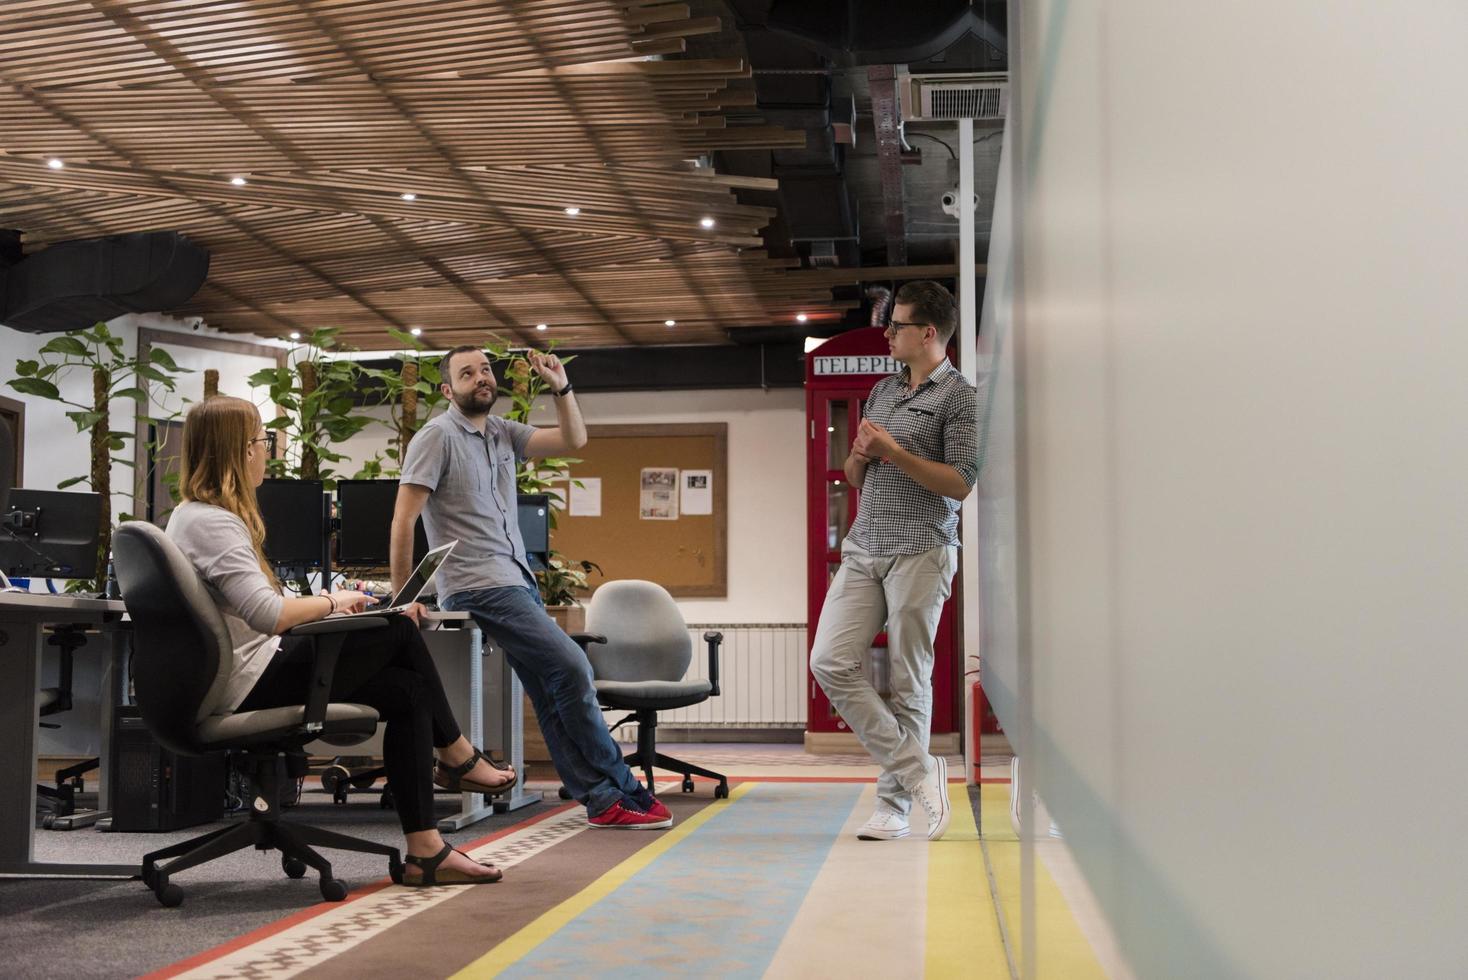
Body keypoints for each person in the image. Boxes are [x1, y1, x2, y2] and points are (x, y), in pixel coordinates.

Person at [166, 395, 512, 885]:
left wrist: (336, 598)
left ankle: (426, 851)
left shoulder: (197, 516)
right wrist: (334, 603)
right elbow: (267, 615)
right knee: (395, 627)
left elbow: (260, 606)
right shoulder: (213, 523)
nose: (267, 451)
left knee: (408, 693)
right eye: (262, 441)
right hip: (251, 681)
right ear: (240, 451)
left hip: (248, 672)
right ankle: (456, 754)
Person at [391, 346, 671, 829]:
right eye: (467, 373)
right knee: (571, 667)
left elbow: (573, 439)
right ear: (446, 389)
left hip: (515, 579)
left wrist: (561, 386)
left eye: (484, 369)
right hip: (479, 585)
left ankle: (602, 800)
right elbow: (403, 520)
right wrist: (404, 599)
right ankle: (622, 786)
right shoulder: (435, 437)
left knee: (549, 687)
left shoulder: (501, 432)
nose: (481, 377)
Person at [809, 280, 978, 842]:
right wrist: (858, 456)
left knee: (910, 679)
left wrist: (893, 451)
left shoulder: (961, 398)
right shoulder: (883, 390)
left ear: (928, 332)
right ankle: (918, 771)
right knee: (829, 661)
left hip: (922, 549)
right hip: (864, 547)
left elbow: (958, 485)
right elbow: (856, 478)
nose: (887, 333)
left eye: (897, 325)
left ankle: (894, 807)